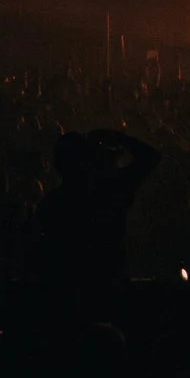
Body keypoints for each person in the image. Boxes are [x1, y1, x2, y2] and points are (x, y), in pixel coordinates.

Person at [34, 127, 160, 303]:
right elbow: (150, 157)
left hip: (66, 293)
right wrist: (117, 137)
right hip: (110, 287)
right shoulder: (110, 192)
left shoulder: (51, 204)